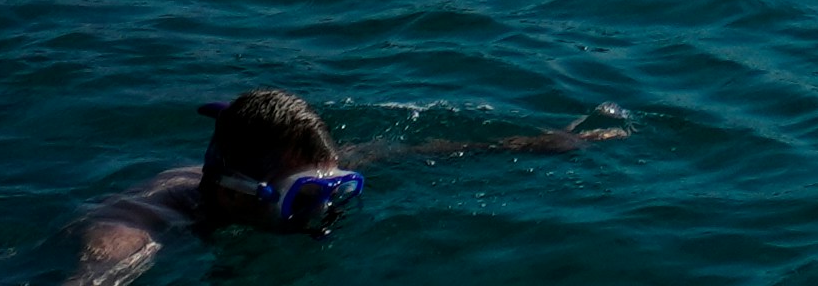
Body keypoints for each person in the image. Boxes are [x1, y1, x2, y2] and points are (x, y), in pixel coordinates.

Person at [62, 87, 628, 273]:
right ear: (232, 192)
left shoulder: (298, 168)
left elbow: (424, 149)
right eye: (305, 199)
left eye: (336, 188)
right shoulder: (129, 235)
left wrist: (546, 143)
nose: (324, 211)